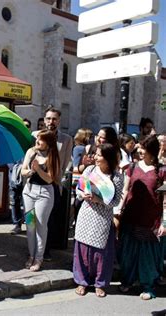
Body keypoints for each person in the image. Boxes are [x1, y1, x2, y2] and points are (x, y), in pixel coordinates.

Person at [117, 135, 165, 300]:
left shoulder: (163, 171)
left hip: (150, 220)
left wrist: (164, 222)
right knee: (128, 252)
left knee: (147, 255)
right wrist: (118, 210)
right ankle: (127, 280)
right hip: (131, 216)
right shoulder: (132, 167)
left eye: (142, 149)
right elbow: (125, 190)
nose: (139, 152)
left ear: (151, 151)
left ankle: (147, 286)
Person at [73, 143, 123, 298]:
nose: (95, 157)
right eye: (95, 154)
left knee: (101, 253)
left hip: (102, 217)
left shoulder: (116, 177)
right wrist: (83, 195)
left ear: (108, 158)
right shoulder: (89, 170)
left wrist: (99, 200)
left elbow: (115, 201)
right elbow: (79, 189)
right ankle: (82, 281)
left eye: (99, 155)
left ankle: (100, 283)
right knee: (82, 249)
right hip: (86, 214)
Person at [33, 107, 73, 260]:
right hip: (34, 183)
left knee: (48, 218)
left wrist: (59, 179)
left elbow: (66, 163)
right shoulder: (35, 136)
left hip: (53, 184)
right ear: (44, 120)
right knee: (32, 217)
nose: (51, 122)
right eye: (48, 118)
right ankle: (32, 247)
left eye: (54, 119)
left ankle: (46, 249)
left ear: (59, 121)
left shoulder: (66, 139)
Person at [21, 130, 60, 271]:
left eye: (41, 139)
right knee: (30, 225)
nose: (37, 141)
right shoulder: (31, 152)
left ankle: (39, 258)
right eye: (37, 138)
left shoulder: (53, 156)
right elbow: (23, 171)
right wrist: (31, 171)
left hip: (44, 193)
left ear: (48, 142)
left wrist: (38, 169)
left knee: (41, 226)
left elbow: (50, 178)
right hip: (29, 191)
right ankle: (31, 255)